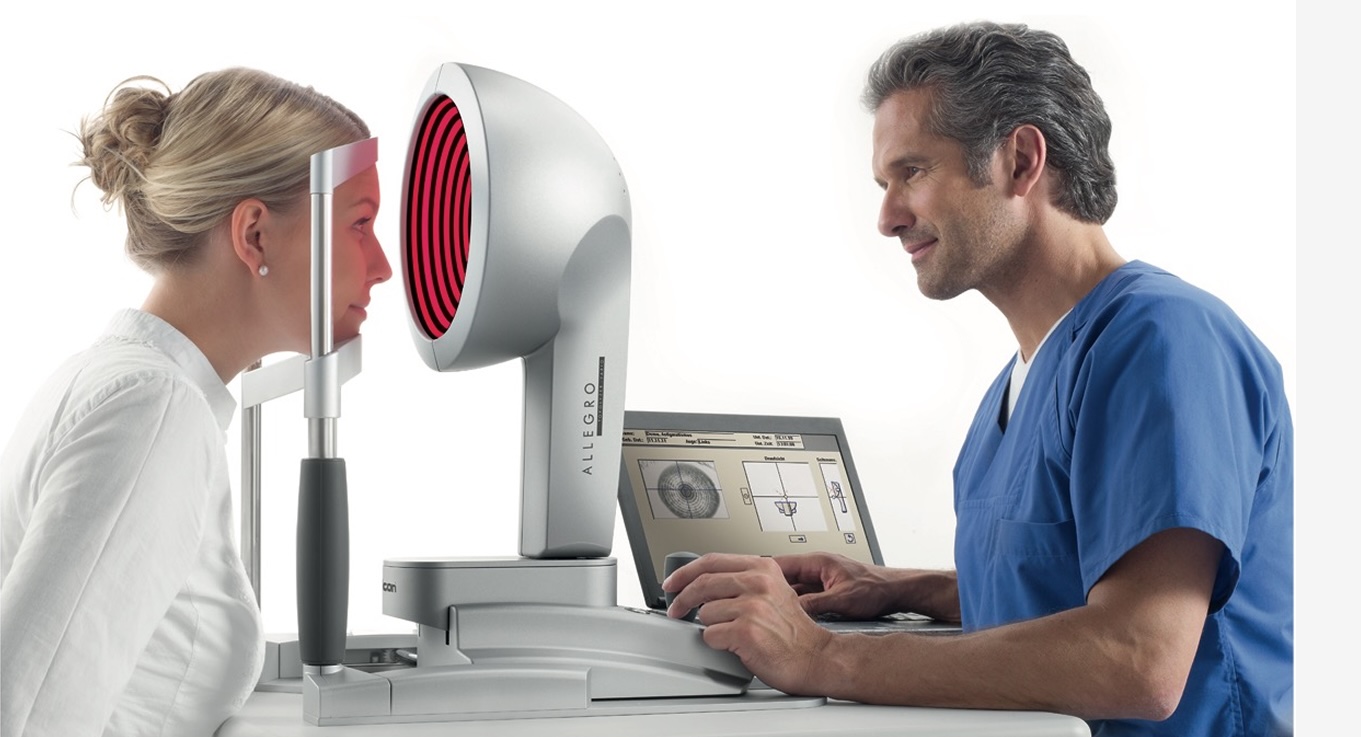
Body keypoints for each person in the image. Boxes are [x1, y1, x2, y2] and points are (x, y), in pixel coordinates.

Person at [663, 22, 1292, 737]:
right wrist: (903, 588)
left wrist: (824, 656)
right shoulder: (1015, 387)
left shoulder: (1164, 341)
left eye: (912, 172)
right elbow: (1066, 590)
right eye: (882, 183)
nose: (887, 217)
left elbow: (1137, 656)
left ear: (1020, 160)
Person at [0, 69, 392, 735]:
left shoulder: (125, 384)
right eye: (358, 224)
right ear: (255, 235)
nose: (382, 264)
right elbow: (27, 711)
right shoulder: (152, 411)